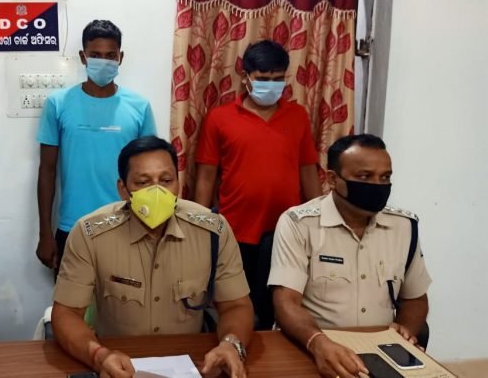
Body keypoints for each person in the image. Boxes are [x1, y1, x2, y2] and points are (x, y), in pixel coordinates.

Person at [52, 136, 253, 378]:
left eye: (166, 180)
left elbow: (236, 306)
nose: (157, 191)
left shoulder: (213, 230)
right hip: (118, 365)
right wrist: (98, 356)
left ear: (178, 183)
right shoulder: (90, 234)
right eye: (143, 182)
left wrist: (231, 345)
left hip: (194, 363)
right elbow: (66, 314)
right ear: (123, 190)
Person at [269, 134, 431, 378]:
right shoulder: (299, 223)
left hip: (380, 349)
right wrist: (317, 342)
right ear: (333, 179)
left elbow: (415, 299)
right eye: (365, 177)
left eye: (385, 177)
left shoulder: (404, 226)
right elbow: (286, 303)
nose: (377, 185)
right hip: (312, 345)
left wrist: (405, 333)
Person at [194, 40, 321, 328]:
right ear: (245, 77)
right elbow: (206, 176)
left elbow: (308, 172)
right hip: (235, 229)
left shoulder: (298, 116)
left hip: (286, 232)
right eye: (263, 78)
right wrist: (200, 226)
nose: (271, 85)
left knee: (275, 308)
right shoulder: (219, 118)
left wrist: (318, 221)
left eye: (278, 79)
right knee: (234, 306)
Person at [36, 19, 157, 274]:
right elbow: (47, 170)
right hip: (73, 226)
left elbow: (150, 175)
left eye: (110, 56)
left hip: (127, 225)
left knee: (125, 298)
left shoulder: (139, 106)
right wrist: (45, 233)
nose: (104, 62)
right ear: (83, 57)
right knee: (70, 298)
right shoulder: (58, 104)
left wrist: (151, 225)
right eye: (96, 55)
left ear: (120, 57)